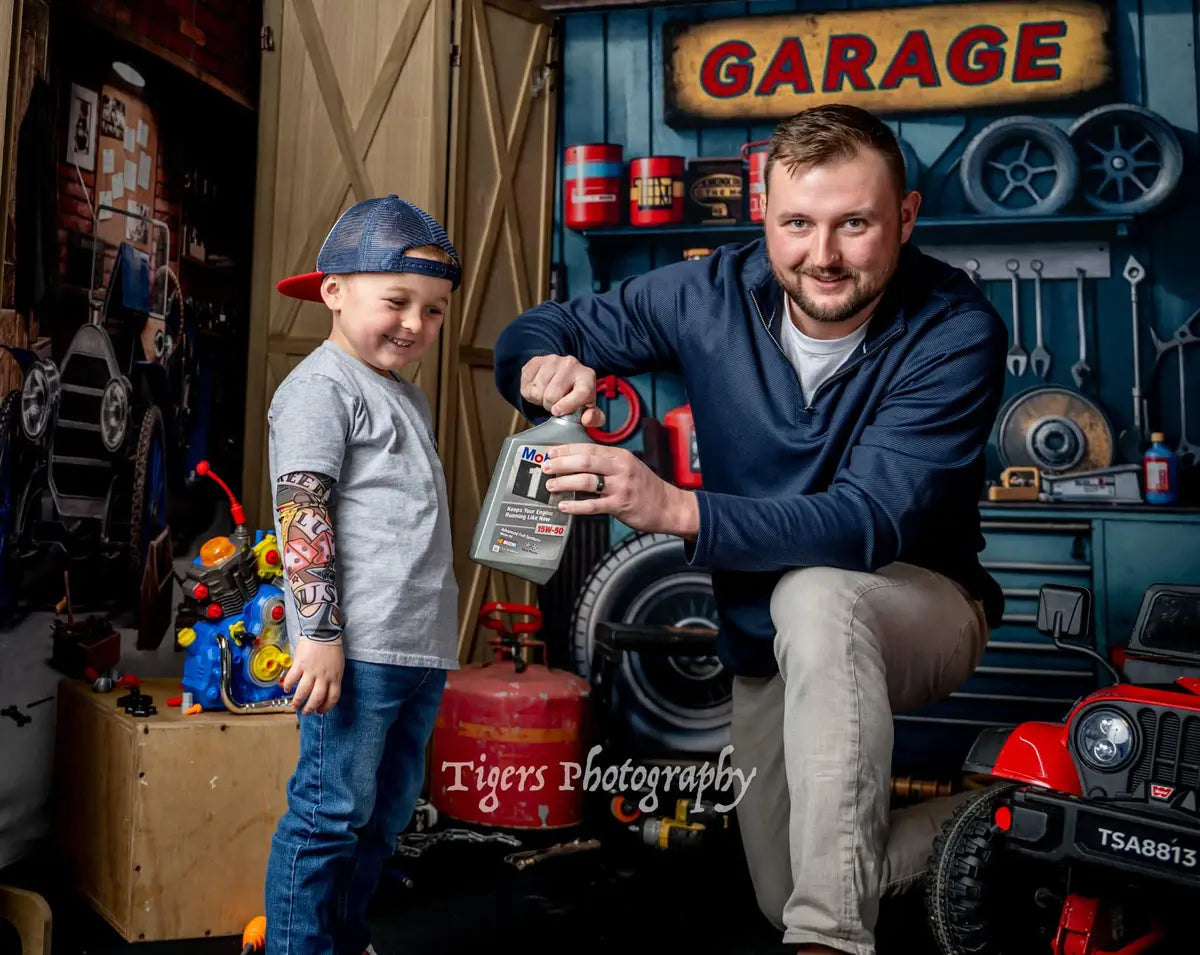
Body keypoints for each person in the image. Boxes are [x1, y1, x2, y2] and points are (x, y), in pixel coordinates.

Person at [492, 105, 1008, 955]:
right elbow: (544, 327)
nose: (824, 255)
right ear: (761, 216)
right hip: (763, 635)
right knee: (793, 882)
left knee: (816, 592)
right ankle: (1015, 814)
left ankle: (826, 945)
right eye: (797, 223)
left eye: (855, 224)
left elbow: (863, 520)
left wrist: (674, 507)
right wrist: (541, 366)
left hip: (925, 605)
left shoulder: (955, 330)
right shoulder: (710, 292)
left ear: (906, 218)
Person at [264, 194, 462, 955]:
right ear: (334, 290)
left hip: (417, 651)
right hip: (357, 650)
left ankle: (343, 940)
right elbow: (302, 506)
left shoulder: (403, 394)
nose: (416, 324)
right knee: (327, 815)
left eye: (435, 310)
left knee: (382, 818)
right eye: (398, 301)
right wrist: (318, 635)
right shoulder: (321, 387)